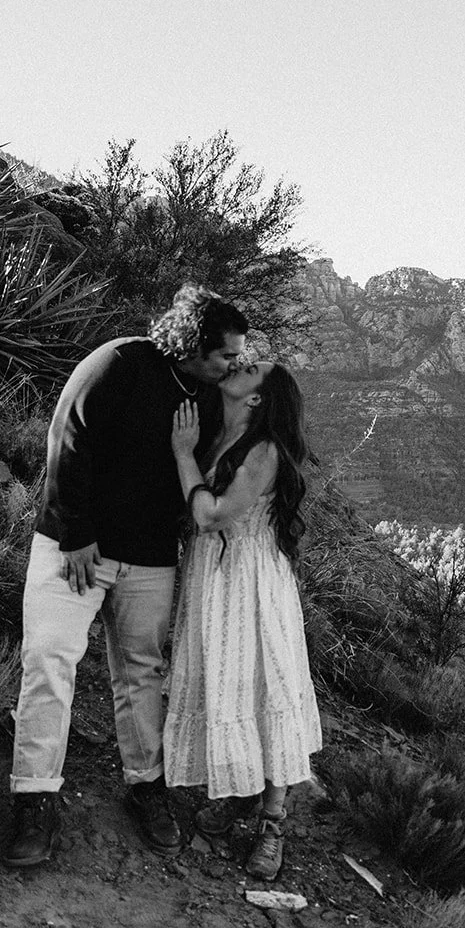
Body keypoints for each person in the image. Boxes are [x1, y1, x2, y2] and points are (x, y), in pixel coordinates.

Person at [0, 285, 250, 868]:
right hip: (75, 548)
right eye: (226, 356)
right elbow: (67, 439)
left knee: (142, 672)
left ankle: (146, 786)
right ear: (192, 344)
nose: (232, 365)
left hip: (151, 557)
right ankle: (34, 798)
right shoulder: (117, 364)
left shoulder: (209, 398)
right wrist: (77, 532)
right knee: (49, 661)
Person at [165, 360, 322, 881]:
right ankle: (242, 789)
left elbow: (211, 515)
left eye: (251, 369)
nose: (239, 365)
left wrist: (184, 454)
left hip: (252, 582)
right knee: (230, 684)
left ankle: (272, 824)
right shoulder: (221, 434)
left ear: (257, 398)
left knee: (270, 688)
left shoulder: (263, 451)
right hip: (215, 577)